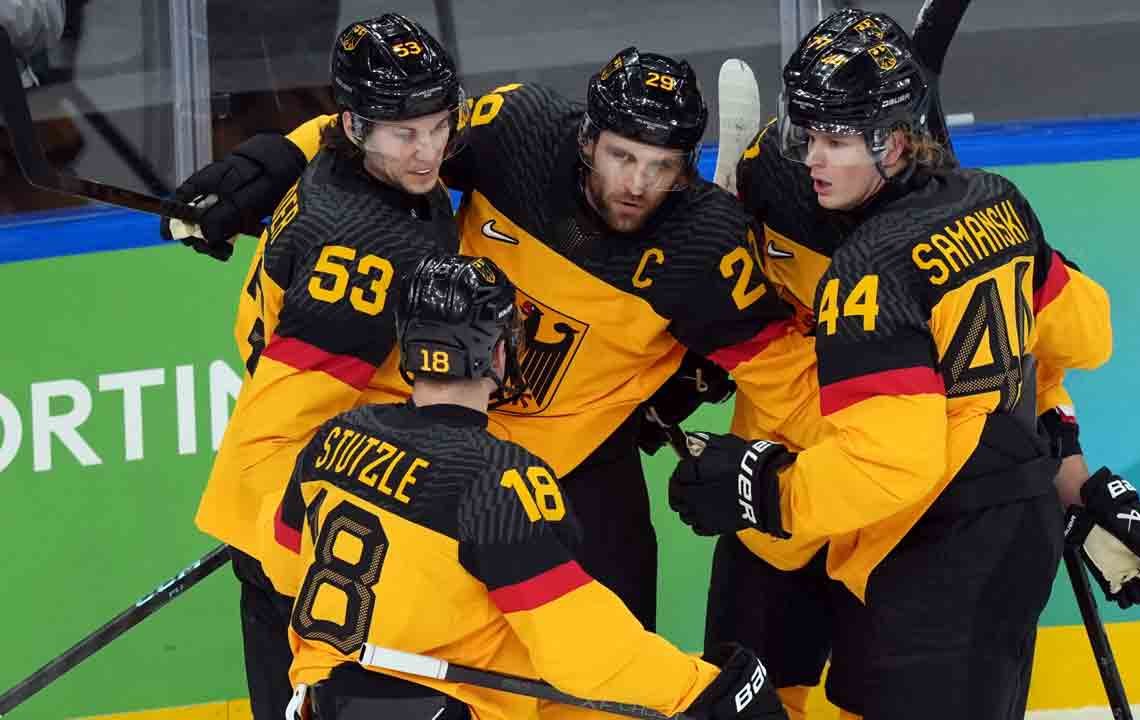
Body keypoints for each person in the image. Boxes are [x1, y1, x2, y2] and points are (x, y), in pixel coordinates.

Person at [166, 47, 827, 635]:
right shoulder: (518, 131)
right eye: (622, 157)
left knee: (609, 680)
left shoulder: (705, 247)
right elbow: (401, 129)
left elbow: (790, 381)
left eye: (663, 167)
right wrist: (289, 153)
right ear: (586, 138)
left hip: (578, 460)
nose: (636, 185)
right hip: (445, 431)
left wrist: (796, 475)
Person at [667, 12, 1140, 719]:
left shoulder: (868, 269)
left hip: (916, 531)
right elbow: (1078, 340)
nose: (814, 159)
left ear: (897, 142)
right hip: (894, 520)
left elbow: (892, 462)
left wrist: (766, 491)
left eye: (836, 140)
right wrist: (1069, 472)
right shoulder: (996, 202)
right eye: (807, 136)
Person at [278, 253, 787, 720]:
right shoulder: (500, 480)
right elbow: (583, 653)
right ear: (499, 354)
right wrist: (702, 689)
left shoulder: (336, 436)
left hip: (318, 704)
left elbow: (285, 559)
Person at [184, 14, 466, 719]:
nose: (429, 151)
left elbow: (323, 134)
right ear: (356, 125)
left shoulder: (345, 156)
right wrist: (303, 556)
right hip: (298, 519)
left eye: (439, 126)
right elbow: (284, 427)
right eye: (406, 134)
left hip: (304, 494)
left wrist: (280, 150)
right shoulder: (363, 253)